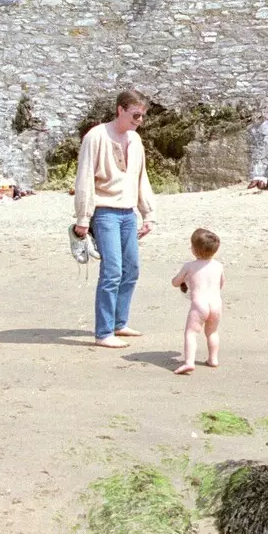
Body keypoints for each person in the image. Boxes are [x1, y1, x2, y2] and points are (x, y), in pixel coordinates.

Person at [73, 90, 155, 348]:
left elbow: (140, 178)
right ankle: (103, 332)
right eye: (135, 115)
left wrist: (148, 213)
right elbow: (84, 177)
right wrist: (83, 217)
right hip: (104, 211)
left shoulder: (136, 140)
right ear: (120, 109)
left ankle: (120, 323)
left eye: (142, 116)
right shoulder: (96, 136)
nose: (139, 120)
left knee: (131, 269)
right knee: (111, 271)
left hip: (128, 212)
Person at [169, 228, 224, 375]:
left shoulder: (189, 266)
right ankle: (213, 359)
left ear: (194, 249)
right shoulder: (218, 266)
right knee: (212, 332)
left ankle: (189, 362)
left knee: (191, 333)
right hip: (216, 304)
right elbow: (221, 284)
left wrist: (180, 281)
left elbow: (176, 282)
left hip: (199, 305)